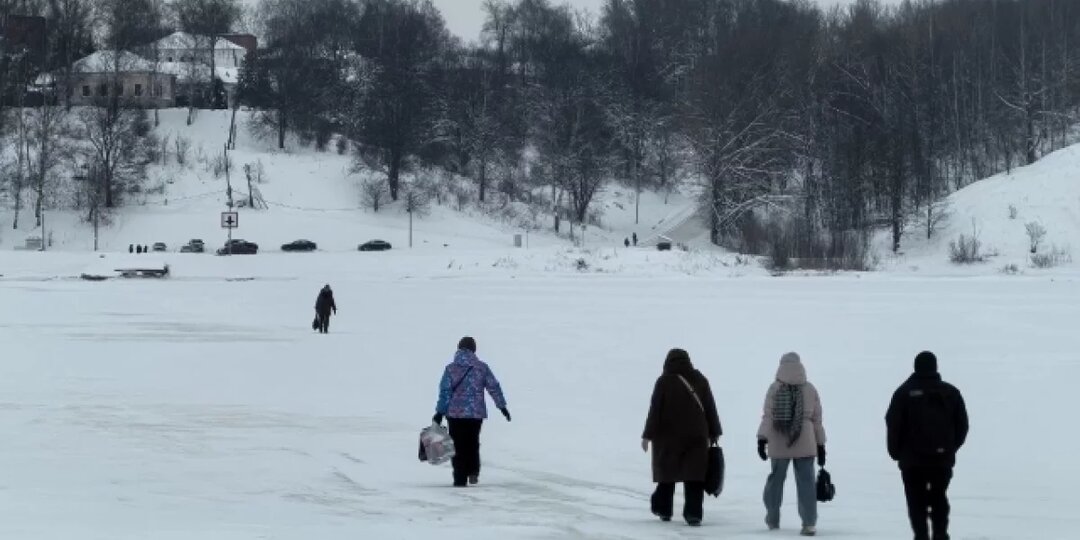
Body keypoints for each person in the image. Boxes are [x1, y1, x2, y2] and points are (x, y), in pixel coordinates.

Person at [886, 351, 968, 540]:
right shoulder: (950, 393)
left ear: (915, 367)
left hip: (911, 460)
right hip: (942, 458)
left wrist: (896, 452)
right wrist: (951, 448)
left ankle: (921, 535)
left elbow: (893, 424)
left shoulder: (903, 393)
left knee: (916, 501)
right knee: (939, 496)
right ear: (935, 367)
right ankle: (940, 533)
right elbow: (962, 425)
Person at [642, 348, 721, 527]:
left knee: (667, 475)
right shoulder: (700, 380)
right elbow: (710, 408)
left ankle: (663, 509)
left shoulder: (663, 382)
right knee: (694, 476)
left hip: (667, 438)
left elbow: (654, 411)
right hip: (696, 437)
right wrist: (714, 432)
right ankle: (693, 514)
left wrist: (647, 435)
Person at [757, 352, 826, 537]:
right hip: (806, 441)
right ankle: (809, 523)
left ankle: (772, 518)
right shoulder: (810, 389)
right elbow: (817, 420)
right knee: (806, 483)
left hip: (779, 439)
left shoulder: (774, 388)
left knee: (775, 481)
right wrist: (821, 444)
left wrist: (762, 438)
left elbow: (768, 416)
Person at [432, 337, 509, 487]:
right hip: (475, 414)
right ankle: (473, 471)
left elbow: (445, 392)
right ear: (474, 350)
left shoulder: (450, 369)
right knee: (472, 442)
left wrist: (440, 412)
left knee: (457, 445)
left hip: (455, 414)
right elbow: (494, 387)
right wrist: (502, 407)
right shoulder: (482, 368)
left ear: (458, 349)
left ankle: (459, 478)